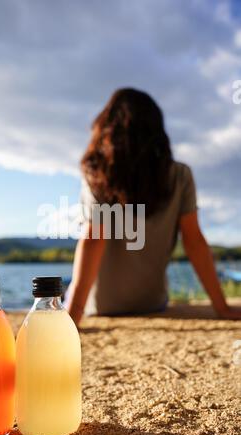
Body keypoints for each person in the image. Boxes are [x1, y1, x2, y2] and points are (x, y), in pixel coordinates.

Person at [66, 88, 241, 324]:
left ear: (106, 129)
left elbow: (93, 239)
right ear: (157, 131)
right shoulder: (180, 175)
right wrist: (222, 308)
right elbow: (194, 241)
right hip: (152, 301)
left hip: (101, 305)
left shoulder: (98, 175)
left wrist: (73, 316)